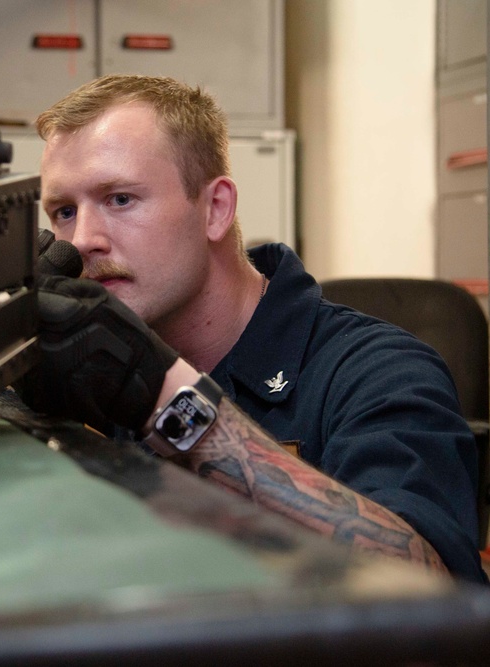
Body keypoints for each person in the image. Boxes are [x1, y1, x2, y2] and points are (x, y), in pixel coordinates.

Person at [24, 74, 487, 583]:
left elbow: (430, 597)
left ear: (215, 209)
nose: (83, 239)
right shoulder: (96, 362)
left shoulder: (380, 372)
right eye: (64, 211)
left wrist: (172, 402)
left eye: (119, 199)